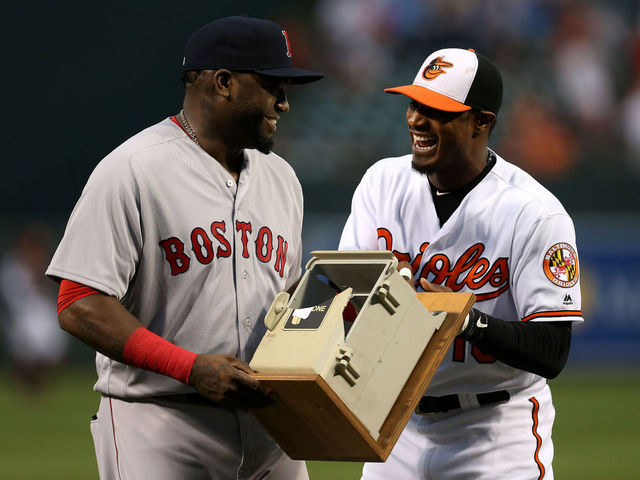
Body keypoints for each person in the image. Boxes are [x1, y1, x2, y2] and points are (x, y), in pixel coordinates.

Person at [46, 15, 323, 480]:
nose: (285, 102)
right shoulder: (133, 169)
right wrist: (189, 367)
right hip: (161, 420)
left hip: (272, 425)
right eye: (273, 85)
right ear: (223, 82)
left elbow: (282, 301)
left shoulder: (284, 179)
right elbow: (79, 303)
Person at [339, 48, 582, 480]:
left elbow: (553, 350)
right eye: (414, 104)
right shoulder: (381, 184)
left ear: (482, 122)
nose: (416, 119)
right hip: (397, 426)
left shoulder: (533, 212)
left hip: (495, 430)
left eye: (437, 110)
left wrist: (466, 319)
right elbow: (345, 297)